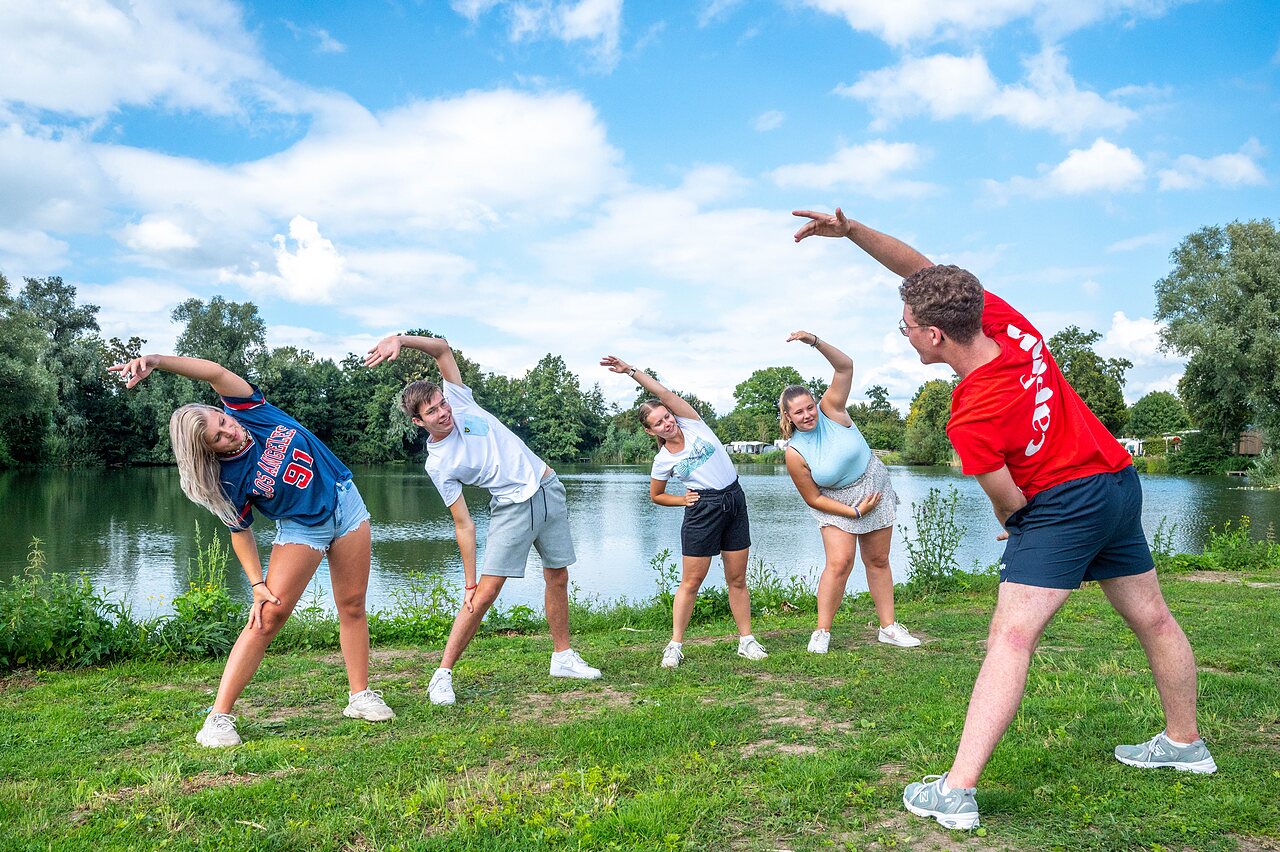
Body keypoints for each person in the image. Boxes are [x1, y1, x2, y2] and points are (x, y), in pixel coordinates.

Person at [794, 208, 1215, 830]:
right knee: (1153, 616)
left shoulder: (970, 411)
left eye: (906, 327)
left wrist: (1025, 528)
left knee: (1011, 637)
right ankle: (1185, 742)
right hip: (1117, 482)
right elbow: (925, 272)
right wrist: (853, 232)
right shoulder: (1006, 325)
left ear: (935, 335)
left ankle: (956, 791)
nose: (903, 334)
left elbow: (1009, 501)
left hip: (1064, 504)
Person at [109, 354, 395, 748]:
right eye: (218, 437)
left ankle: (359, 696)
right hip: (302, 528)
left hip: (347, 503)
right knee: (267, 617)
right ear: (209, 451)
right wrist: (257, 584)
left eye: (222, 421)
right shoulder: (226, 480)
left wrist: (157, 361)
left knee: (352, 606)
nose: (230, 431)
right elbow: (240, 532)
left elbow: (215, 373)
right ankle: (217, 719)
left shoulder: (250, 411)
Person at [365, 333, 601, 706]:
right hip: (511, 508)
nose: (443, 413)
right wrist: (469, 581)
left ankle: (563, 657)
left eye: (442, 404)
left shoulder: (460, 400)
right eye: (432, 412)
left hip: (548, 487)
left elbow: (442, 349)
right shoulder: (439, 465)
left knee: (558, 575)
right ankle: (442, 675)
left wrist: (400, 339)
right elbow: (463, 523)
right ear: (418, 421)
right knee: (484, 595)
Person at [600, 355, 768, 668]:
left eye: (666, 416)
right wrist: (683, 501)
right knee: (691, 582)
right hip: (702, 511)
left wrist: (631, 371)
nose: (667, 422)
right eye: (658, 423)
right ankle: (675, 645)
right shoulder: (663, 460)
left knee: (737, 579)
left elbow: (662, 392)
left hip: (734, 500)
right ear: (650, 431)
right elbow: (656, 496)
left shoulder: (692, 423)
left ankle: (746, 641)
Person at [778, 330, 919, 653]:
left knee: (878, 560)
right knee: (840, 563)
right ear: (788, 416)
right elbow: (814, 498)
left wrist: (815, 342)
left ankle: (888, 628)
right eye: (798, 412)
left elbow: (845, 367)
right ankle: (822, 631)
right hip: (835, 502)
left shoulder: (832, 409)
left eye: (809, 407)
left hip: (873, 488)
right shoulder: (794, 452)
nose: (807, 415)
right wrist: (854, 512)